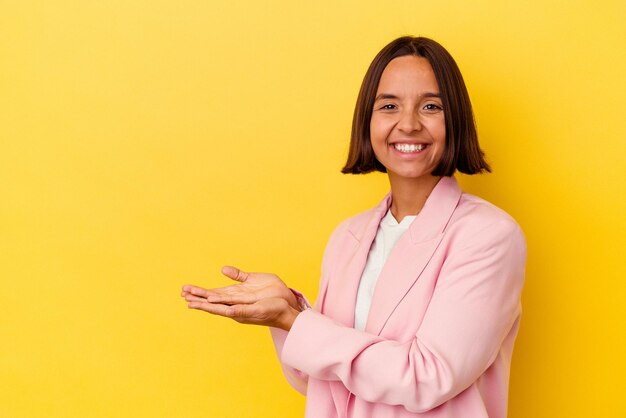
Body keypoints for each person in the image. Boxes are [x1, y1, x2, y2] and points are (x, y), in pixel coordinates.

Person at [181, 36, 526, 418]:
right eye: (389, 106)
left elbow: (428, 377)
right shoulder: (349, 237)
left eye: (431, 106)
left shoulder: (489, 235)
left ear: (455, 119)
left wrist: (295, 321)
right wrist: (285, 312)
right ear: (368, 119)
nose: (408, 124)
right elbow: (317, 381)